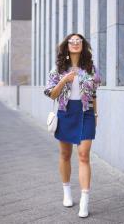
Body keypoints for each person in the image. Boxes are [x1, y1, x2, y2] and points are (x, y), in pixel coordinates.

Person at [44, 33, 101, 218]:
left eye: (79, 41)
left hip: (86, 113)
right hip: (65, 113)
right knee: (65, 154)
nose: (75, 43)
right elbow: (52, 94)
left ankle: (84, 201)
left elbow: (93, 94)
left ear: (83, 45)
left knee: (84, 155)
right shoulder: (58, 69)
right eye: (72, 41)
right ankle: (67, 192)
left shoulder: (90, 68)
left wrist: (96, 113)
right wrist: (64, 80)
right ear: (66, 45)